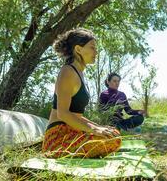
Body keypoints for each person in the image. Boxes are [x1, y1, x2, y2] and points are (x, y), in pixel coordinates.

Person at [42, 28, 122, 158]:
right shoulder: (67, 72)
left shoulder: (79, 73)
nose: (96, 52)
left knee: (112, 133)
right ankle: (58, 154)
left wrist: (98, 127)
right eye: (92, 48)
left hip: (73, 130)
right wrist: (94, 130)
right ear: (78, 49)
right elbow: (63, 113)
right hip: (57, 138)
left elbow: (76, 116)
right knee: (113, 140)